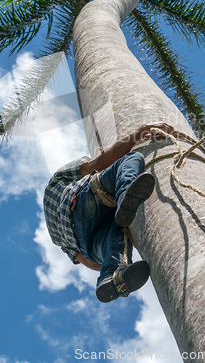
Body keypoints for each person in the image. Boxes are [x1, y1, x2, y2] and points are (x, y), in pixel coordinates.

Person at [44, 122, 175, 303]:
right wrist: (140, 132)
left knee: (117, 234)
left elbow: (89, 262)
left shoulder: (57, 239)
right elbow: (101, 163)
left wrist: (109, 259)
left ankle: (112, 277)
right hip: (80, 204)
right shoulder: (59, 178)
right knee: (133, 158)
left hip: (86, 242)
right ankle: (124, 195)